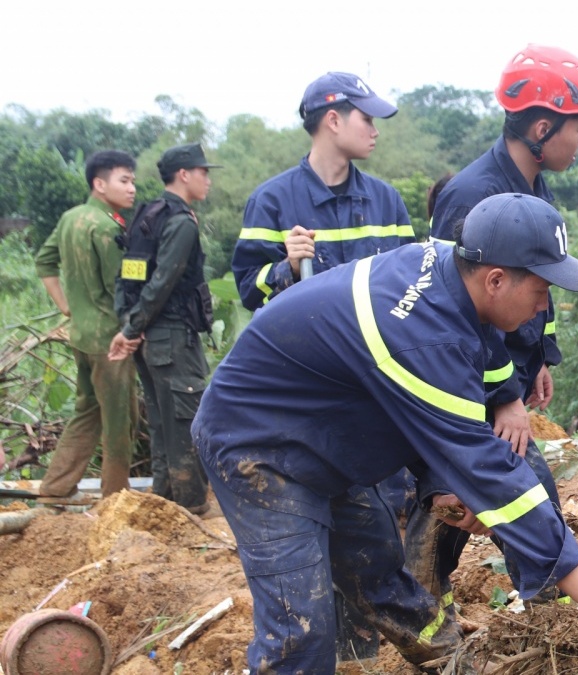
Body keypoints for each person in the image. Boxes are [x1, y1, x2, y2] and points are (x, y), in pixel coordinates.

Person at [191, 193, 578, 675]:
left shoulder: (450, 267)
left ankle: (450, 661)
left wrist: (501, 401)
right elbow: (491, 474)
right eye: (542, 290)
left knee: (376, 568)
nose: (546, 305)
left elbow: (477, 354)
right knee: (302, 631)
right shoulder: (422, 333)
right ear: (497, 280)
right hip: (259, 447)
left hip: (324, 436)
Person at [410, 43, 578, 625]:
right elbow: (451, 310)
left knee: (467, 501)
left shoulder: (532, 184)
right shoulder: (472, 197)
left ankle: (419, 604)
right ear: (542, 126)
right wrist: (504, 396)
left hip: (503, 374)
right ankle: (555, 621)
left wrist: (537, 355)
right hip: (466, 382)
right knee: (512, 494)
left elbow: (535, 277)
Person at [231, 72, 415, 309]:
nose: (375, 131)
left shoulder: (387, 199)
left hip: (372, 346)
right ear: (334, 121)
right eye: (367, 120)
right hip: (305, 346)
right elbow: (249, 291)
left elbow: (412, 279)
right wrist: (290, 268)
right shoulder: (270, 201)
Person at [107, 143, 218, 514]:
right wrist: (133, 326)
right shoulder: (180, 222)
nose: (208, 179)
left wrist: (130, 326)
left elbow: (130, 274)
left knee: (161, 423)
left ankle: (164, 502)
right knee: (186, 422)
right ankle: (191, 507)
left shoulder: (146, 214)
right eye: (203, 172)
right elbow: (163, 282)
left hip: (148, 338)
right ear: (184, 175)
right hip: (170, 337)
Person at [34, 151, 140, 503]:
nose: (132, 189)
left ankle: (55, 488)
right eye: (124, 181)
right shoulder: (109, 227)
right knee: (119, 421)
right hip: (110, 340)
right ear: (99, 183)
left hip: (80, 335)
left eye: (132, 181)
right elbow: (119, 287)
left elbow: (44, 261)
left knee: (87, 411)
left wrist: (66, 307)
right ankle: (117, 498)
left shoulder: (69, 219)